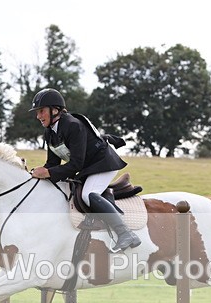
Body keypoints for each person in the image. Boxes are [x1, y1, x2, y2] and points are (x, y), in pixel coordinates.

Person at [28, 88, 141, 252]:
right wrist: (34, 174)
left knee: (88, 195)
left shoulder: (73, 125)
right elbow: (52, 163)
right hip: (88, 168)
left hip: (103, 163)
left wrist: (48, 173)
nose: (38, 116)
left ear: (55, 110)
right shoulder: (49, 133)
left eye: (41, 111)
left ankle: (125, 233)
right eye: (37, 112)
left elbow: (75, 165)